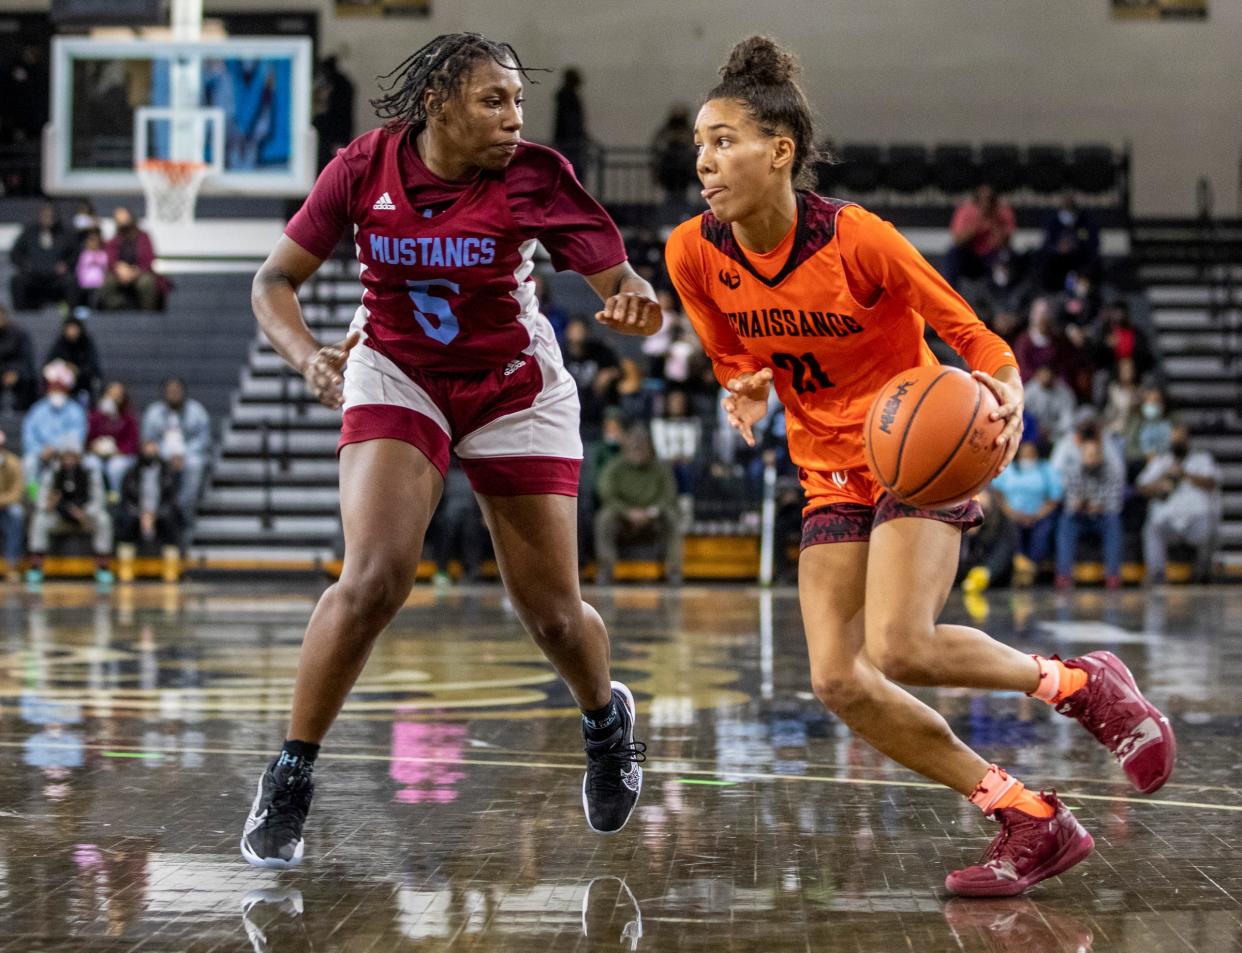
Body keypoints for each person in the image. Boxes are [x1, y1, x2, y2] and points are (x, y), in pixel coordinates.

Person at [665, 36, 1174, 898]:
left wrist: (1005, 389)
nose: (704, 162)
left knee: (899, 644)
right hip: (827, 467)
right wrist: (740, 387)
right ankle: (1025, 815)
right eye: (699, 147)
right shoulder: (691, 252)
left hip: (916, 451)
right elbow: (728, 354)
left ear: (779, 149)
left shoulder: (858, 239)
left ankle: (1082, 683)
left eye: (723, 140)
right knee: (837, 677)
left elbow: (973, 335)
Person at [240, 32, 662, 868]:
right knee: (371, 580)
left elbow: (623, 282)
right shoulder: (363, 167)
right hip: (399, 371)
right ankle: (291, 770)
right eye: (492, 101)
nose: (513, 118)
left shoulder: (535, 174)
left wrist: (636, 302)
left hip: (512, 383)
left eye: (518, 102)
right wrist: (310, 355)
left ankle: (605, 720)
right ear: (436, 102)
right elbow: (271, 281)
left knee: (550, 612)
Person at [594, 423, 682, 585]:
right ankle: (606, 570)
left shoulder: (660, 468)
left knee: (671, 517)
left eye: (642, 444)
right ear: (626, 446)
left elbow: (669, 495)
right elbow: (606, 494)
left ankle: (674, 571)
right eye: (634, 444)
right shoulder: (614, 467)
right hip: (623, 519)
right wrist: (627, 512)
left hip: (653, 518)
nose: (638, 448)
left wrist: (651, 512)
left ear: (650, 446)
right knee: (604, 518)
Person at [1136, 424, 1220, 584]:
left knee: (1210, 529)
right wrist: (1161, 480)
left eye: (1181, 439)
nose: (1177, 443)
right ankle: (1156, 574)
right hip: (1168, 520)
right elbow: (1141, 486)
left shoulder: (1201, 458)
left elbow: (1212, 481)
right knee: (1151, 529)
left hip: (1196, 517)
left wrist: (1185, 474)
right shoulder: (1162, 460)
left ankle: (1203, 573)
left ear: (1188, 440)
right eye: (1174, 439)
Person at [25, 437, 113, 587]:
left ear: (79, 456)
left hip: (84, 518)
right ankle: (36, 566)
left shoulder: (90, 471)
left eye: (73, 456)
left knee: (103, 519)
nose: (69, 460)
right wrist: (49, 504)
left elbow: (99, 500)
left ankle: (103, 566)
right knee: (39, 519)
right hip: (59, 517)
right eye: (66, 456)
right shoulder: (52, 472)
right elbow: (41, 500)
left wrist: (85, 512)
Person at [1055, 434, 1125, 590]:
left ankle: (1113, 575)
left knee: (1113, 521)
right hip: (1079, 516)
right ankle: (1063, 575)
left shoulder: (1110, 472)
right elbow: (1069, 501)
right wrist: (1079, 505)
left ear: (1100, 455)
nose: (1090, 459)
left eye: (1094, 455)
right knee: (1066, 521)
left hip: (1102, 516)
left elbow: (1115, 502)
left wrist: (1100, 506)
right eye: (1087, 455)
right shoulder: (1074, 472)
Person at [141, 377, 212, 529]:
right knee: (150, 466)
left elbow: (203, 439)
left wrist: (182, 454)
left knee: (195, 464)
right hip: (162, 454)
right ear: (164, 393)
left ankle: (184, 507)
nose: (174, 394)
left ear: (183, 392)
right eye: (170, 391)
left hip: (189, 454)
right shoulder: (154, 412)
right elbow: (148, 441)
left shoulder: (196, 411)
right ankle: (152, 510)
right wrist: (166, 454)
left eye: (177, 391)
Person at [992, 439, 1062, 585]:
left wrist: (1037, 514)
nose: (1027, 458)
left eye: (1031, 454)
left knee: (1042, 534)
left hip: (1038, 515)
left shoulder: (1045, 469)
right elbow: (998, 492)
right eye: (1024, 454)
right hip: (1012, 514)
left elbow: (1054, 496)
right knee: (1011, 533)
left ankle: (1030, 567)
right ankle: (1018, 566)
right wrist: (1011, 512)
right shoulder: (1009, 469)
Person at [115, 439, 182, 584]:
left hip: (159, 512)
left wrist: (155, 514)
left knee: (171, 520)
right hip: (137, 512)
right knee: (127, 521)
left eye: (153, 448)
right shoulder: (131, 472)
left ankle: (171, 569)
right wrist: (141, 514)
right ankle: (125, 568)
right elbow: (126, 499)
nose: (150, 451)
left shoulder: (167, 472)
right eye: (147, 448)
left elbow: (171, 499)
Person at [21, 361, 88, 482]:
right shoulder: (37, 409)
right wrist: (40, 450)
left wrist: (57, 449)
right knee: (29, 463)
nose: (57, 393)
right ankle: (33, 497)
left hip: (65, 455)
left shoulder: (76, 411)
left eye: (60, 390)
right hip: (40, 454)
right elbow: (29, 435)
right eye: (54, 389)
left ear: (66, 391)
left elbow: (77, 436)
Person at [945, 183, 1015, 288]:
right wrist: (978, 221)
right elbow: (958, 241)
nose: (986, 203)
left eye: (990, 199)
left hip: (992, 257)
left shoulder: (1003, 212)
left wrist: (993, 220)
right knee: (953, 253)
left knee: (1006, 255)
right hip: (971, 256)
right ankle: (949, 292)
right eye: (981, 199)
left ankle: (1002, 294)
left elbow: (1005, 243)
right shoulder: (965, 211)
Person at [9, 202, 74, 311]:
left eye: (51, 215)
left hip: (57, 278)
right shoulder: (30, 232)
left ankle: (72, 317)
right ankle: (19, 314)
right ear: (40, 216)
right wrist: (25, 265)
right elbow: (15, 253)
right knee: (17, 281)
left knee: (72, 282)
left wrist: (66, 265)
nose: (48, 218)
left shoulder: (65, 233)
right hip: (33, 275)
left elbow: (75, 254)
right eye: (45, 215)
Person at [100, 208, 165, 312]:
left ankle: (147, 313)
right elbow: (110, 258)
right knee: (107, 281)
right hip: (119, 273)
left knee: (146, 282)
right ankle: (114, 309)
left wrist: (135, 271)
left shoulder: (143, 237)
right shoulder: (115, 239)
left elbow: (148, 258)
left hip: (139, 272)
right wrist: (119, 269)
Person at [1039, 193, 1099, 293]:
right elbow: (1047, 243)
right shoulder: (1053, 222)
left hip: (1079, 259)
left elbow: (1093, 244)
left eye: (1070, 208)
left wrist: (1077, 246)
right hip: (1057, 259)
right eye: (1066, 208)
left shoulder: (1086, 222)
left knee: (1088, 269)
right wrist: (1058, 247)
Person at [87, 380, 141, 493]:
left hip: (121, 455)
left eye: (118, 396)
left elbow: (132, 442)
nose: (114, 399)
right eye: (111, 395)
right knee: (92, 464)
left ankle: (114, 495)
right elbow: (88, 438)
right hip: (97, 454)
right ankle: (98, 497)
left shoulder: (128, 417)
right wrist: (93, 447)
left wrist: (118, 451)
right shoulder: (95, 416)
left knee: (115, 467)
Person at [43, 316, 102, 406]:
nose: (72, 331)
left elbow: (93, 366)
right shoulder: (59, 343)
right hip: (62, 385)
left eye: (74, 328)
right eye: (69, 328)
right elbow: (48, 364)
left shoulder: (87, 343)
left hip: (82, 384)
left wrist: (76, 370)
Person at [0, 304, 38, 412]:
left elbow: (26, 357)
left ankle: (22, 411)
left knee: (28, 379)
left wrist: (15, 371)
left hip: (19, 371)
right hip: (2, 371)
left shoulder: (19, 334)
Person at [553, 66, 588, 177]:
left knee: (570, 169)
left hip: (566, 139)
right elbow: (571, 120)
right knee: (573, 170)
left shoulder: (564, 96)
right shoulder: (569, 97)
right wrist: (580, 133)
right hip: (570, 140)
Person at [0, 430, 24, 581]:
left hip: (6, 508)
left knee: (17, 513)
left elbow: (17, 493)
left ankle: (11, 565)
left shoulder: (14, 463)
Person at [73, 229, 110, 315]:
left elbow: (105, 269)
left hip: (98, 284)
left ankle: (95, 313)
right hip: (84, 283)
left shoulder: (102, 254)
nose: (92, 243)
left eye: (95, 241)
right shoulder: (83, 255)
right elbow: (79, 269)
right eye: (90, 241)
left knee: (95, 299)